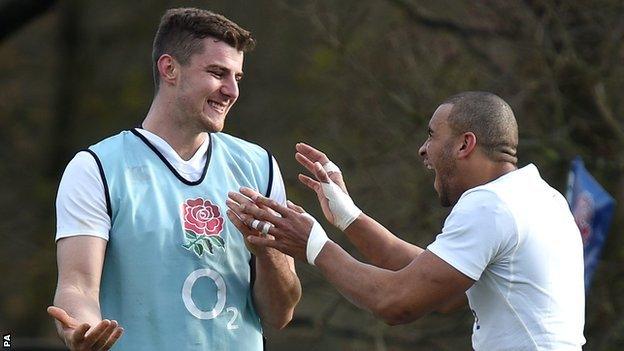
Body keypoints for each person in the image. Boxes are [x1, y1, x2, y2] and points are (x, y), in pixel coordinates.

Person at [227, 91, 586, 350]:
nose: (423, 149)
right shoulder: (540, 197)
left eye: (432, 135)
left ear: (465, 145)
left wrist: (313, 245)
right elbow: (439, 288)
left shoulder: (489, 205)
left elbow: (397, 302)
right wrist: (349, 217)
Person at [48, 7, 301, 351]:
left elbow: (280, 314)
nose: (231, 91)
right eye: (217, 73)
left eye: (236, 77)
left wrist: (267, 253)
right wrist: (84, 328)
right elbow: (77, 286)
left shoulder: (259, 166)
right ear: (169, 69)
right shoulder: (97, 168)